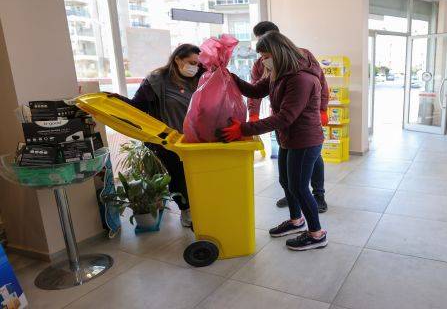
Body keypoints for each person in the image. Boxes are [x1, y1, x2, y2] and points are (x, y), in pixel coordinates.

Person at [217, 31, 327, 251]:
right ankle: (296, 222)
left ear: (279, 51)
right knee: (287, 183)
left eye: (266, 54)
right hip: (288, 138)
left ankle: (316, 234)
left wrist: (245, 129)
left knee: (299, 186)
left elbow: (286, 116)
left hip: (305, 141)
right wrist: (231, 77)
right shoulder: (280, 73)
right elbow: (256, 89)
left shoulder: (301, 78)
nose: (263, 59)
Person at [113, 44, 203, 228]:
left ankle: (200, 208)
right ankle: (186, 212)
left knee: (198, 175)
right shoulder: (156, 81)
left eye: (198, 63)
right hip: (168, 141)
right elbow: (137, 108)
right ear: (177, 59)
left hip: (195, 139)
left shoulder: (199, 78)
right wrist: (114, 101)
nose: (195, 67)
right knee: (179, 177)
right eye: (191, 62)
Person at [249, 21, 330, 213]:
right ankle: (293, 193)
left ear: (279, 39)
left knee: (313, 156)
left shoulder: (303, 55)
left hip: (304, 119)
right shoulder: (261, 62)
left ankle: (318, 195)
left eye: (268, 40)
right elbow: (256, 87)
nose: (264, 53)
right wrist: (253, 113)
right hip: (281, 119)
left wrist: (323, 108)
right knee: (288, 162)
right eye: (260, 42)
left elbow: (321, 80)